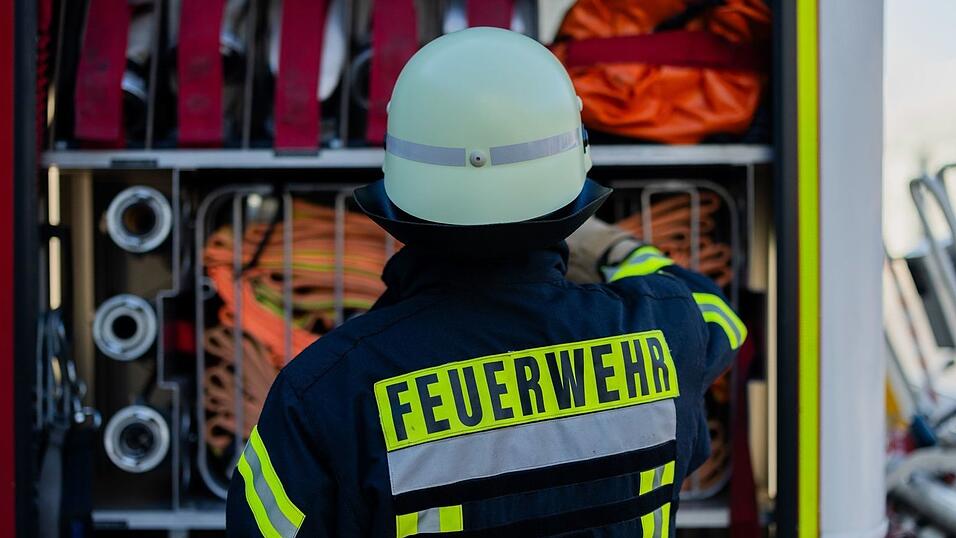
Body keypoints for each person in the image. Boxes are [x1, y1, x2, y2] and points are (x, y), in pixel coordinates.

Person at [226, 27, 744, 537]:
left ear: (401, 189)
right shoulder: (666, 332)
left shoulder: (324, 392)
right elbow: (717, 313)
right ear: (571, 184)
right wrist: (613, 249)